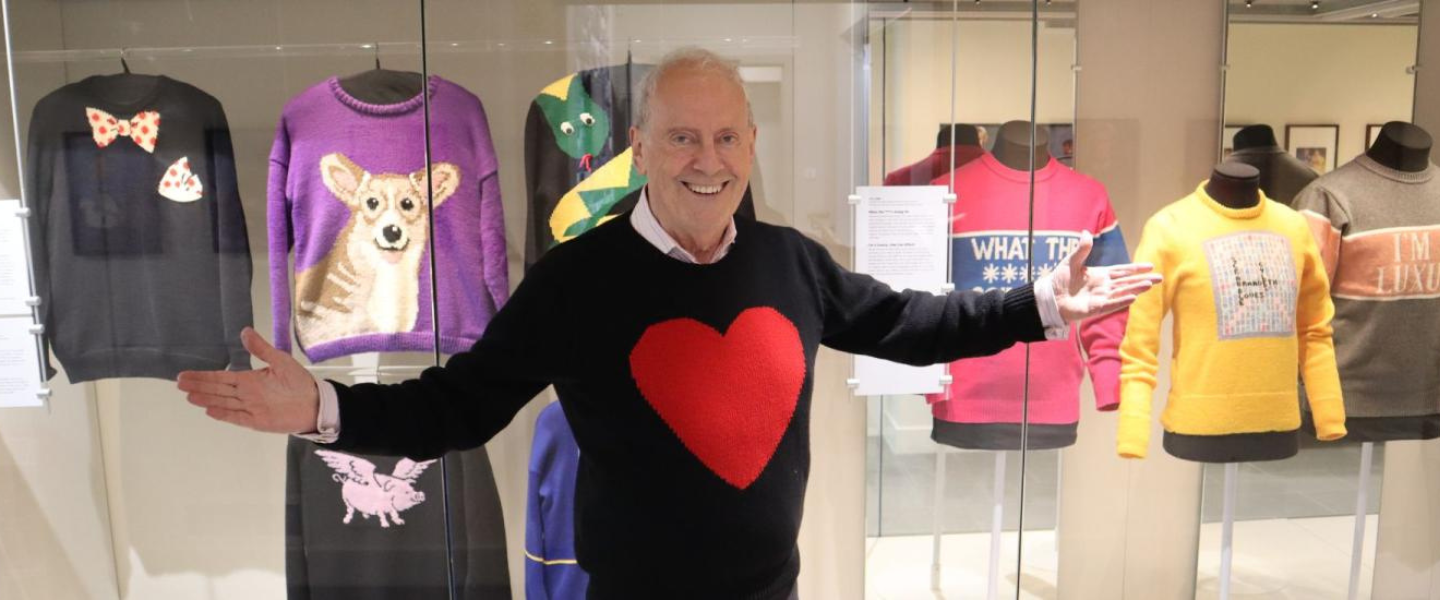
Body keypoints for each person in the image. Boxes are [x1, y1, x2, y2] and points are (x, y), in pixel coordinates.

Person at [177, 48, 1160, 599]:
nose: (708, 157)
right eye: (683, 135)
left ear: (751, 143)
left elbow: (909, 324)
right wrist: (324, 410)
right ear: (641, 148)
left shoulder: (792, 263)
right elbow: (462, 406)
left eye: (727, 135)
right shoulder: (579, 280)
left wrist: (1040, 307)